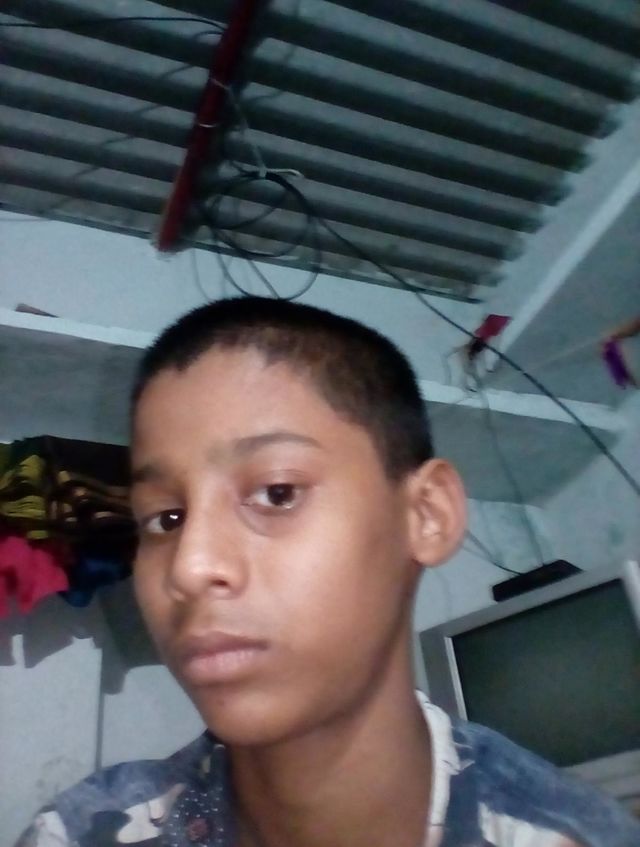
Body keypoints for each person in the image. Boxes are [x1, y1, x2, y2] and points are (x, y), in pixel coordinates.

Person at [17, 297, 640, 847]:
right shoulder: (86, 831)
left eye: (278, 493)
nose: (190, 566)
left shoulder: (574, 835)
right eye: (166, 518)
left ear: (426, 515)